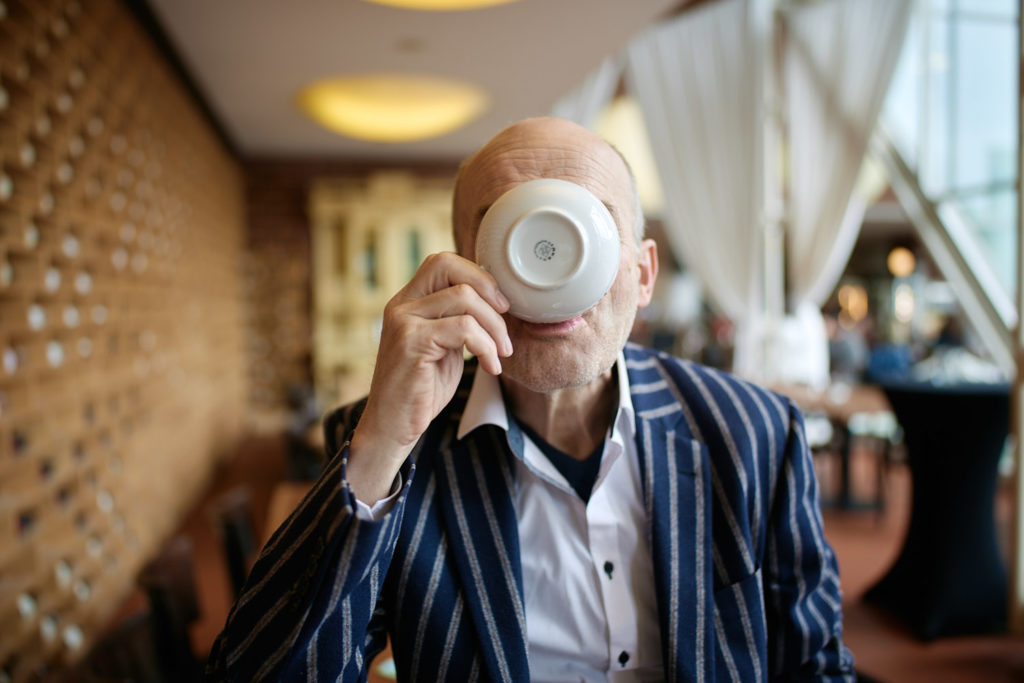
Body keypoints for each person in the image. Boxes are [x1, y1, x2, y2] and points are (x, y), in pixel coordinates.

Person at [206, 117, 854, 682]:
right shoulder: (392, 443)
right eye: (512, 229)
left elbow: (813, 665)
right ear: (462, 269)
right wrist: (381, 447)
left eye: (589, 226)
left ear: (643, 273)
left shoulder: (752, 433)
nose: (554, 266)